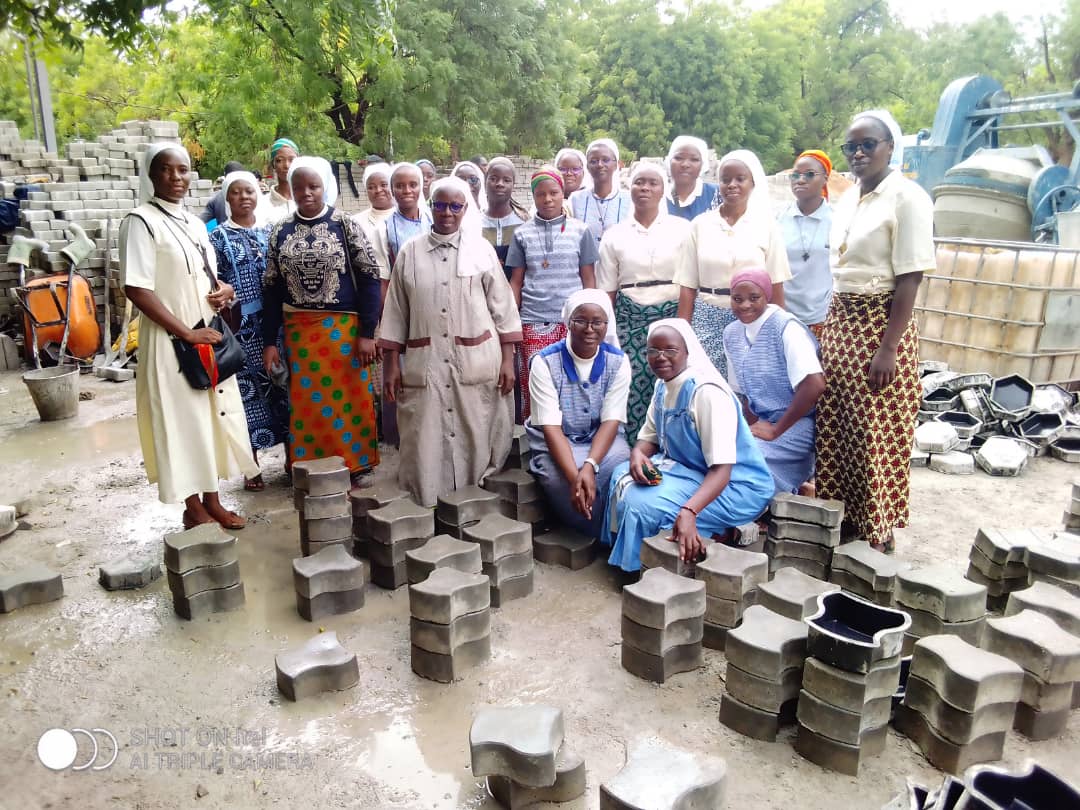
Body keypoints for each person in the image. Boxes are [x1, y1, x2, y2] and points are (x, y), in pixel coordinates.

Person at [120, 144, 258, 528]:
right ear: (151, 174)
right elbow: (137, 288)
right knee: (181, 421)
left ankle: (214, 500)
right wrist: (186, 333)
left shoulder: (194, 223)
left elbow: (202, 277)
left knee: (212, 417)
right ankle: (193, 506)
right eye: (167, 169)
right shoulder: (140, 222)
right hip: (171, 339)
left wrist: (225, 290)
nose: (177, 177)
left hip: (206, 333)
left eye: (183, 170)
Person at [816, 110, 934, 553]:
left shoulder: (907, 198)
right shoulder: (849, 198)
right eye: (851, 146)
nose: (859, 153)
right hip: (841, 321)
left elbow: (910, 278)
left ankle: (878, 535)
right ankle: (843, 524)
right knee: (837, 427)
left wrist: (889, 349)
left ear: (890, 147)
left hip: (880, 325)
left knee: (874, 433)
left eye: (869, 144)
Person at [379, 177, 522, 507]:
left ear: (465, 209)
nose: (447, 212)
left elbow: (503, 308)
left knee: (477, 427)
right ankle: (429, 501)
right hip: (426, 363)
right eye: (440, 205)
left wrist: (507, 359)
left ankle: (475, 502)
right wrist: (390, 365)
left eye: (455, 206)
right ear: (431, 206)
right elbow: (396, 311)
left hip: (475, 360)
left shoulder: (480, 250)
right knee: (425, 432)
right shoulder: (410, 253)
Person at [601, 319, 774, 570]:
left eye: (670, 350)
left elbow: (722, 470)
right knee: (621, 474)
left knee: (643, 504)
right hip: (694, 472)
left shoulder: (707, 394)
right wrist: (637, 454)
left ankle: (714, 535)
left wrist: (690, 511)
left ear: (687, 352)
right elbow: (648, 437)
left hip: (735, 487)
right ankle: (700, 529)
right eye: (653, 350)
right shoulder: (663, 386)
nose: (661, 357)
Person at [261, 156, 382, 480]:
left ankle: (353, 465)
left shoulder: (345, 224)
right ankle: (312, 470)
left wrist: (367, 333)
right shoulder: (280, 231)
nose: (306, 193)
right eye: (299, 187)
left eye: (313, 186)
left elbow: (370, 278)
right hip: (300, 334)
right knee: (308, 404)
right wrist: (269, 341)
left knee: (348, 400)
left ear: (324, 187)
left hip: (343, 333)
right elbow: (271, 288)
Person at [674, 149, 791, 378]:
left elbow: (776, 286)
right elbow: (687, 287)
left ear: (753, 183)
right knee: (707, 382)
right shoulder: (700, 225)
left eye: (740, 179)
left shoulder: (767, 226)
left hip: (754, 319)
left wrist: (778, 333)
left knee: (750, 385)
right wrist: (682, 334)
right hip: (707, 319)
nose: (732, 185)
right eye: (725, 179)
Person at [596, 161, 690, 443]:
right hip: (630, 319)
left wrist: (683, 326)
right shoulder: (614, 234)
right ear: (630, 188)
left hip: (672, 313)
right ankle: (634, 449)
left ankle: (674, 449)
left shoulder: (682, 229)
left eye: (653, 183)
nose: (645, 188)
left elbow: (690, 283)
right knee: (632, 383)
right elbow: (607, 291)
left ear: (664, 190)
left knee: (675, 383)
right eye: (639, 182)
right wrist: (608, 335)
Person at [526, 290, 631, 537]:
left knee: (618, 464)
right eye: (581, 321)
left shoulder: (618, 362)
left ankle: (609, 531)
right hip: (556, 439)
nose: (589, 329)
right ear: (568, 322)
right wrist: (575, 477)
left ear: (607, 325)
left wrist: (589, 466)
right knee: (558, 479)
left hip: (600, 437)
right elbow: (551, 428)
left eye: (598, 322)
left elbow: (611, 420)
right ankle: (590, 532)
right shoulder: (544, 362)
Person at [209, 171, 289, 491]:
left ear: (258, 195)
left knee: (283, 389)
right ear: (227, 198)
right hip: (240, 328)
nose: (244, 197)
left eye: (250, 191)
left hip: (275, 325)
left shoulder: (271, 232)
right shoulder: (217, 238)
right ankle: (251, 467)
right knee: (246, 397)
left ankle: (292, 458)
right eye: (236, 192)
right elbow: (212, 280)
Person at [723, 269, 824, 496]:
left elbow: (815, 384)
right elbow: (745, 395)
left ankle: (786, 491)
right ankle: (792, 491)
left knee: (742, 461)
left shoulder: (786, 327)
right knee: (719, 452)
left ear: (767, 296)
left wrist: (776, 430)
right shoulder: (731, 333)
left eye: (754, 298)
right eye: (737, 299)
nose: (745, 305)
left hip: (798, 424)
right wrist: (749, 431)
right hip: (765, 422)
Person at [508, 166, 598, 420]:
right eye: (541, 194)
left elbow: (588, 279)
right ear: (533, 197)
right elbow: (516, 282)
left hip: (573, 324)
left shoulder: (581, 231)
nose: (547, 199)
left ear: (562, 193)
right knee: (536, 385)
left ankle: (573, 437)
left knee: (573, 384)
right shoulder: (521, 234)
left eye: (553, 193)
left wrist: (591, 320)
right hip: (533, 322)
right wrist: (512, 324)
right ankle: (538, 439)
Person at [780, 150, 833, 336]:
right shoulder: (778, 219)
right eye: (795, 175)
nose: (800, 180)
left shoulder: (837, 221)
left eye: (809, 174)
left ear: (825, 179)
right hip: (785, 317)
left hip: (825, 318)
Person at [377, 162, 433, 284]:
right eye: (399, 186)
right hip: (403, 290)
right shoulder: (385, 227)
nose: (407, 191)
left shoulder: (433, 219)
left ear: (420, 187)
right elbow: (384, 278)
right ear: (391, 190)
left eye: (413, 185)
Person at [569, 139, 632, 247]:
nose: (599, 165)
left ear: (616, 164)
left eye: (605, 160)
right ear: (587, 166)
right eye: (593, 161)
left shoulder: (630, 200)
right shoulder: (575, 199)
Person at [481, 156, 528, 278]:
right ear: (485, 182)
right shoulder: (475, 223)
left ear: (513, 185)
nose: (500, 184)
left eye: (506, 180)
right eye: (493, 179)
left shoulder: (524, 223)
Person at [354, 161, 395, 272]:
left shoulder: (403, 217)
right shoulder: (355, 222)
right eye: (371, 187)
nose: (378, 190)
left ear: (392, 186)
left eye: (384, 185)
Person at [665, 135, 719, 221]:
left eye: (694, 159)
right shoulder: (657, 196)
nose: (685, 164)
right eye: (678, 158)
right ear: (669, 161)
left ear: (703, 164)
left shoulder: (718, 194)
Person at [199, 161, 246, 228]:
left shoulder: (216, 199)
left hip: (224, 234)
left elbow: (200, 221)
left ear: (225, 176)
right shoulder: (252, 196)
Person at [265, 138, 299, 224]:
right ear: (273, 164)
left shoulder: (307, 199)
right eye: (279, 160)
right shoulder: (262, 203)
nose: (286, 165)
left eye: (292, 160)